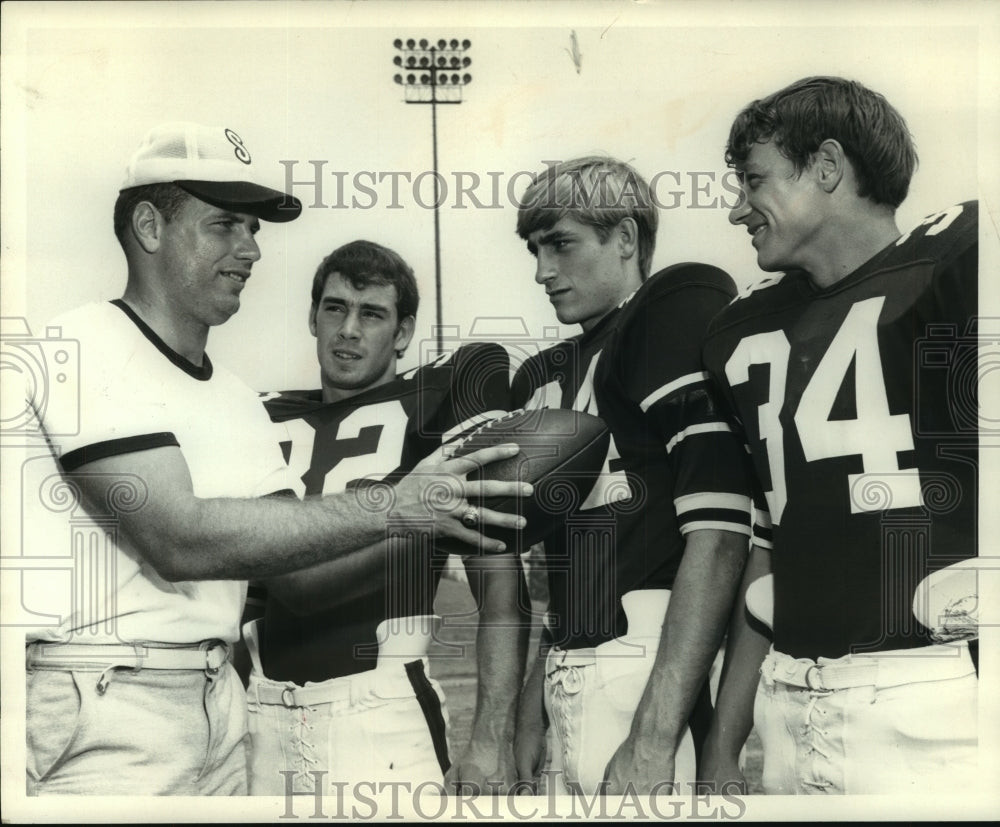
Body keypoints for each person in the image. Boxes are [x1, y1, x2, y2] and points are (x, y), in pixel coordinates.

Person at [22, 122, 529, 796]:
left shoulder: (232, 397)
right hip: (105, 692)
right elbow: (175, 538)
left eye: (254, 229)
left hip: (232, 710)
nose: (252, 249)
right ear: (149, 226)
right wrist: (395, 506)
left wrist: (429, 515)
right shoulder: (79, 342)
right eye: (227, 224)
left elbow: (298, 579)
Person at [700, 76, 978, 794]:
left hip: (927, 692)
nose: (738, 209)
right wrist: (721, 749)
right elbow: (771, 544)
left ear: (826, 166)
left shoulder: (959, 263)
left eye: (753, 180)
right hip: (786, 699)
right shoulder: (744, 330)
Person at [499, 156, 754, 796]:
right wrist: (535, 691)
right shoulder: (540, 375)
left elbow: (722, 531)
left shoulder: (671, 310)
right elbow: (575, 560)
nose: (542, 271)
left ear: (627, 239)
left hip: (646, 657)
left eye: (561, 243)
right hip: (569, 656)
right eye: (534, 249)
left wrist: (655, 734)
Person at [243, 239, 529, 796]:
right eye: (335, 308)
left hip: (378, 712)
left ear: (402, 333)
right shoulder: (261, 416)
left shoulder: (432, 405)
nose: (348, 329)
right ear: (312, 317)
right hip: (260, 712)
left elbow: (498, 581)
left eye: (371, 313)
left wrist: (493, 735)